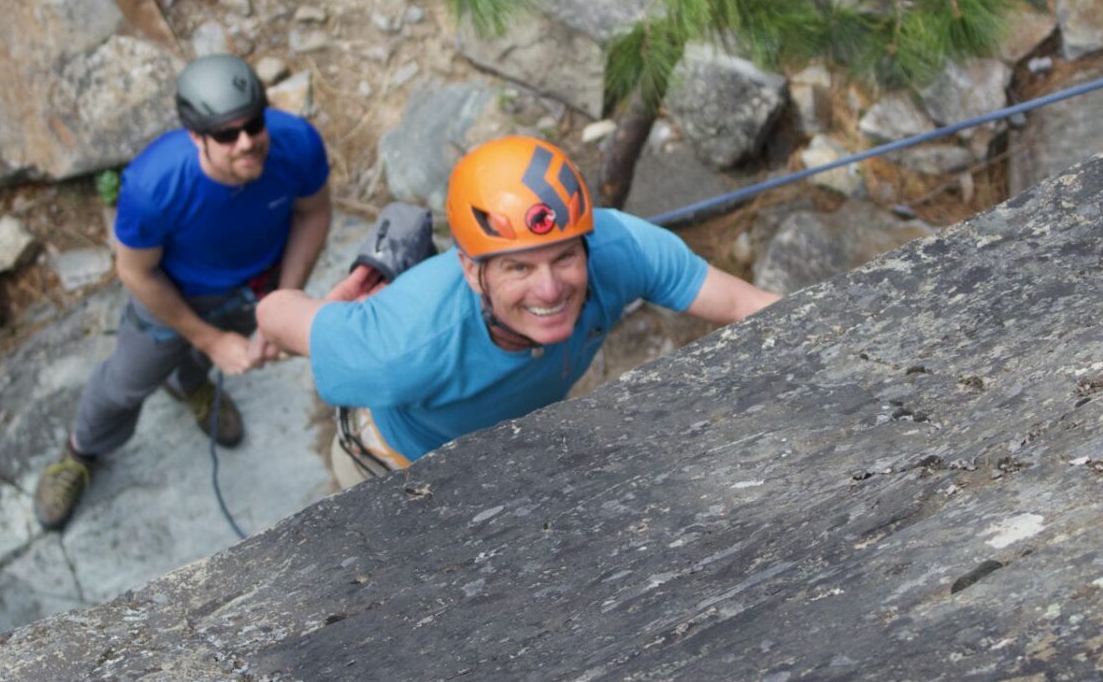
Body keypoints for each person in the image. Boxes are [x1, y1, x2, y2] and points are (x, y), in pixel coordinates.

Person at [257, 135, 779, 482]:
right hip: (396, 462)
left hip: (511, 443)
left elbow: (748, 304)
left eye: (564, 257)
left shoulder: (620, 248)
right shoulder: (396, 347)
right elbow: (273, 312)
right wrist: (335, 307)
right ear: (470, 270)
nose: (550, 290)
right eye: (518, 269)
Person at [32, 55, 332, 528]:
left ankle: (192, 385)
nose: (247, 143)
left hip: (258, 284)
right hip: (177, 294)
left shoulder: (295, 144)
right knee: (125, 385)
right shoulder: (154, 186)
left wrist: (283, 304)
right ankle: (81, 451)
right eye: (226, 135)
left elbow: (314, 213)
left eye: (254, 125)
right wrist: (209, 339)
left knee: (194, 362)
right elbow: (135, 273)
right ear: (196, 135)